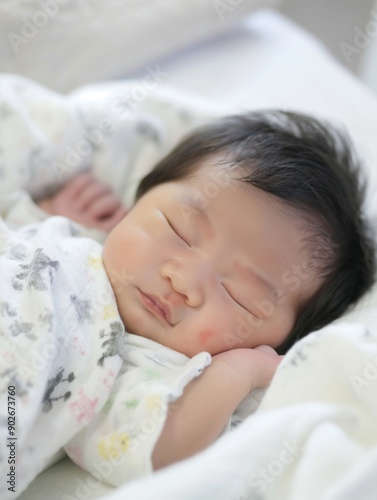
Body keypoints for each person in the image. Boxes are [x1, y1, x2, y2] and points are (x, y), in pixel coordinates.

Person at [35, 111, 375, 472]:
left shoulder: (139, 367)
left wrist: (239, 372)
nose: (184, 281)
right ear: (138, 201)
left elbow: (161, 450)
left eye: (240, 295)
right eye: (177, 229)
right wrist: (47, 214)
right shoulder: (71, 237)